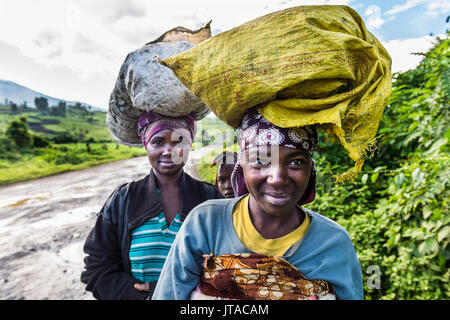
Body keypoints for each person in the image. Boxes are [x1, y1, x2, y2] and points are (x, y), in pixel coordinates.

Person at [152, 108, 364, 300]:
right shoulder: (205, 224)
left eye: (295, 162)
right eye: (260, 161)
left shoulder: (335, 244)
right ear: (241, 165)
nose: (277, 178)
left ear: (311, 168)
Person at [81, 111, 222, 300]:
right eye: (157, 142)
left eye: (178, 141)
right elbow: (97, 269)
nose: (168, 150)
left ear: (189, 146)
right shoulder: (123, 200)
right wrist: (143, 296)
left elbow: (229, 264)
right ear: (146, 145)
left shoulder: (210, 198)